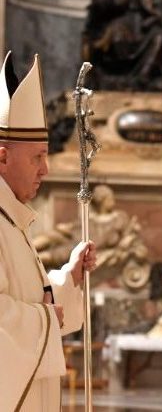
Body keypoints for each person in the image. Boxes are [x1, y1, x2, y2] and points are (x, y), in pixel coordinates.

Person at [0, 51, 97, 411]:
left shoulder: (12, 219)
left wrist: (69, 278)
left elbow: (29, 296)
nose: (46, 169)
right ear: (3, 157)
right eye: (37, 157)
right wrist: (45, 319)